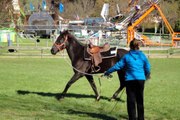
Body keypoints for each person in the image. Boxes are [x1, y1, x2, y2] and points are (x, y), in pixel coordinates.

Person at [104, 38, 151, 120]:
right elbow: (148, 67)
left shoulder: (127, 56)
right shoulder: (142, 56)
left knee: (131, 101)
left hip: (130, 81)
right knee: (140, 100)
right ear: (138, 46)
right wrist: (145, 75)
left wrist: (108, 72)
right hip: (140, 80)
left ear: (130, 46)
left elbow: (117, 66)